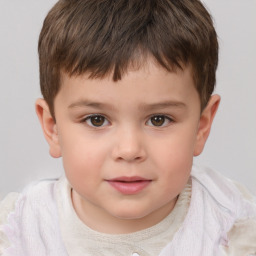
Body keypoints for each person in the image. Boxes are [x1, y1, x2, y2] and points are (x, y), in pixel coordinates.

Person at [0, 0, 256, 255]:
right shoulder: (18, 229)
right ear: (52, 127)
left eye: (159, 119)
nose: (129, 149)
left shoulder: (234, 225)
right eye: (96, 120)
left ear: (202, 126)